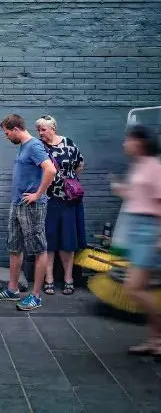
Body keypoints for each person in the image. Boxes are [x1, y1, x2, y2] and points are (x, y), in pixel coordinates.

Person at [0, 114, 56, 311]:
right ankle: (12, 289)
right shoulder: (24, 147)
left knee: (39, 249)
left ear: (16, 129)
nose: (6, 136)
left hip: (32, 206)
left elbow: (50, 170)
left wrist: (38, 194)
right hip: (18, 204)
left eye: (7, 132)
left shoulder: (34, 146)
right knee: (14, 246)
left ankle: (35, 296)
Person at [111, 125, 161, 357]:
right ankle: (155, 340)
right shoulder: (140, 165)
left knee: (134, 287)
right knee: (145, 287)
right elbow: (142, 198)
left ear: (140, 142)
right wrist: (123, 191)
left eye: (128, 140)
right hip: (138, 228)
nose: (124, 144)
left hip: (148, 230)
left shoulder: (153, 166)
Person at [35, 115, 87, 295]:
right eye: (38, 130)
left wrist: (67, 181)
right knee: (49, 240)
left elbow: (80, 164)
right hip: (49, 200)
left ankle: (68, 278)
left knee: (68, 240)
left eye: (43, 129)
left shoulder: (69, 143)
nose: (40, 133)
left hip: (69, 200)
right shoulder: (39, 147)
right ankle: (48, 278)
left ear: (53, 129)